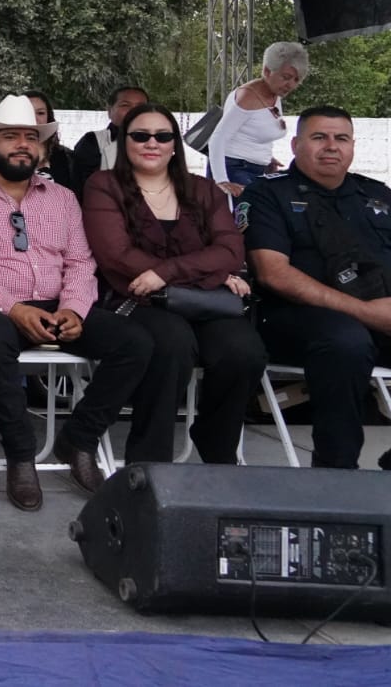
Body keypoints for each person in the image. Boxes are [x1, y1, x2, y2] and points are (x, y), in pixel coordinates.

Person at [0, 95, 153, 510]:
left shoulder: (63, 198)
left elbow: (80, 262)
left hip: (58, 304)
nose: (22, 145)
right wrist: (15, 309)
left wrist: (73, 308)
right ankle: (21, 456)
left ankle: (79, 439)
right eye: (10, 137)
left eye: (30, 137)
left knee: (135, 343)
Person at [82, 103, 266, 464]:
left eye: (163, 136)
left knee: (244, 351)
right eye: (141, 135)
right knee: (172, 344)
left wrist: (167, 273)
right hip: (136, 299)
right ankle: (149, 461)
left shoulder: (203, 190)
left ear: (174, 144)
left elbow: (231, 249)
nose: (152, 143)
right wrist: (212, 274)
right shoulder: (104, 185)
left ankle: (217, 445)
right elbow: (117, 255)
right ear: (125, 141)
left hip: (203, 300)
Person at [241, 106, 391, 468]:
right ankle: (336, 471)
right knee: (346, 341)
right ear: (295, 145)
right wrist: (367, 313)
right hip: (296, 317)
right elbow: (273, 273)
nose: (331, 146)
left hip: (379, 313)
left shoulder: (377, 195)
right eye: (319, 137)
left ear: (352, 146)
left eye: (341, 138)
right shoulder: (267, 194)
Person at [209, 42, 309, 198]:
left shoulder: (274, 94)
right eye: (286, 77)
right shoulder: (248, 97)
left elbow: (254, 130)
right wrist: (221, 180)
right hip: (234, 168)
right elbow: (217, 138)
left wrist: (266, 159)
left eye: (296, 80)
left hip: (254, 168)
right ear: (267, 71)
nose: (291, 85)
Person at [0, 90, 78, 194]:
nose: (34, 118)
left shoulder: (64, 156)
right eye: (29, 112)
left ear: (48, 116)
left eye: (40, 113)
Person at [71, 86, 149, 195]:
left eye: (141, 107)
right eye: (125, 105)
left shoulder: (158, 142)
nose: (134, 111)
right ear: (109, 111)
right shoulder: (93, 141)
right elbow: (82, 187)